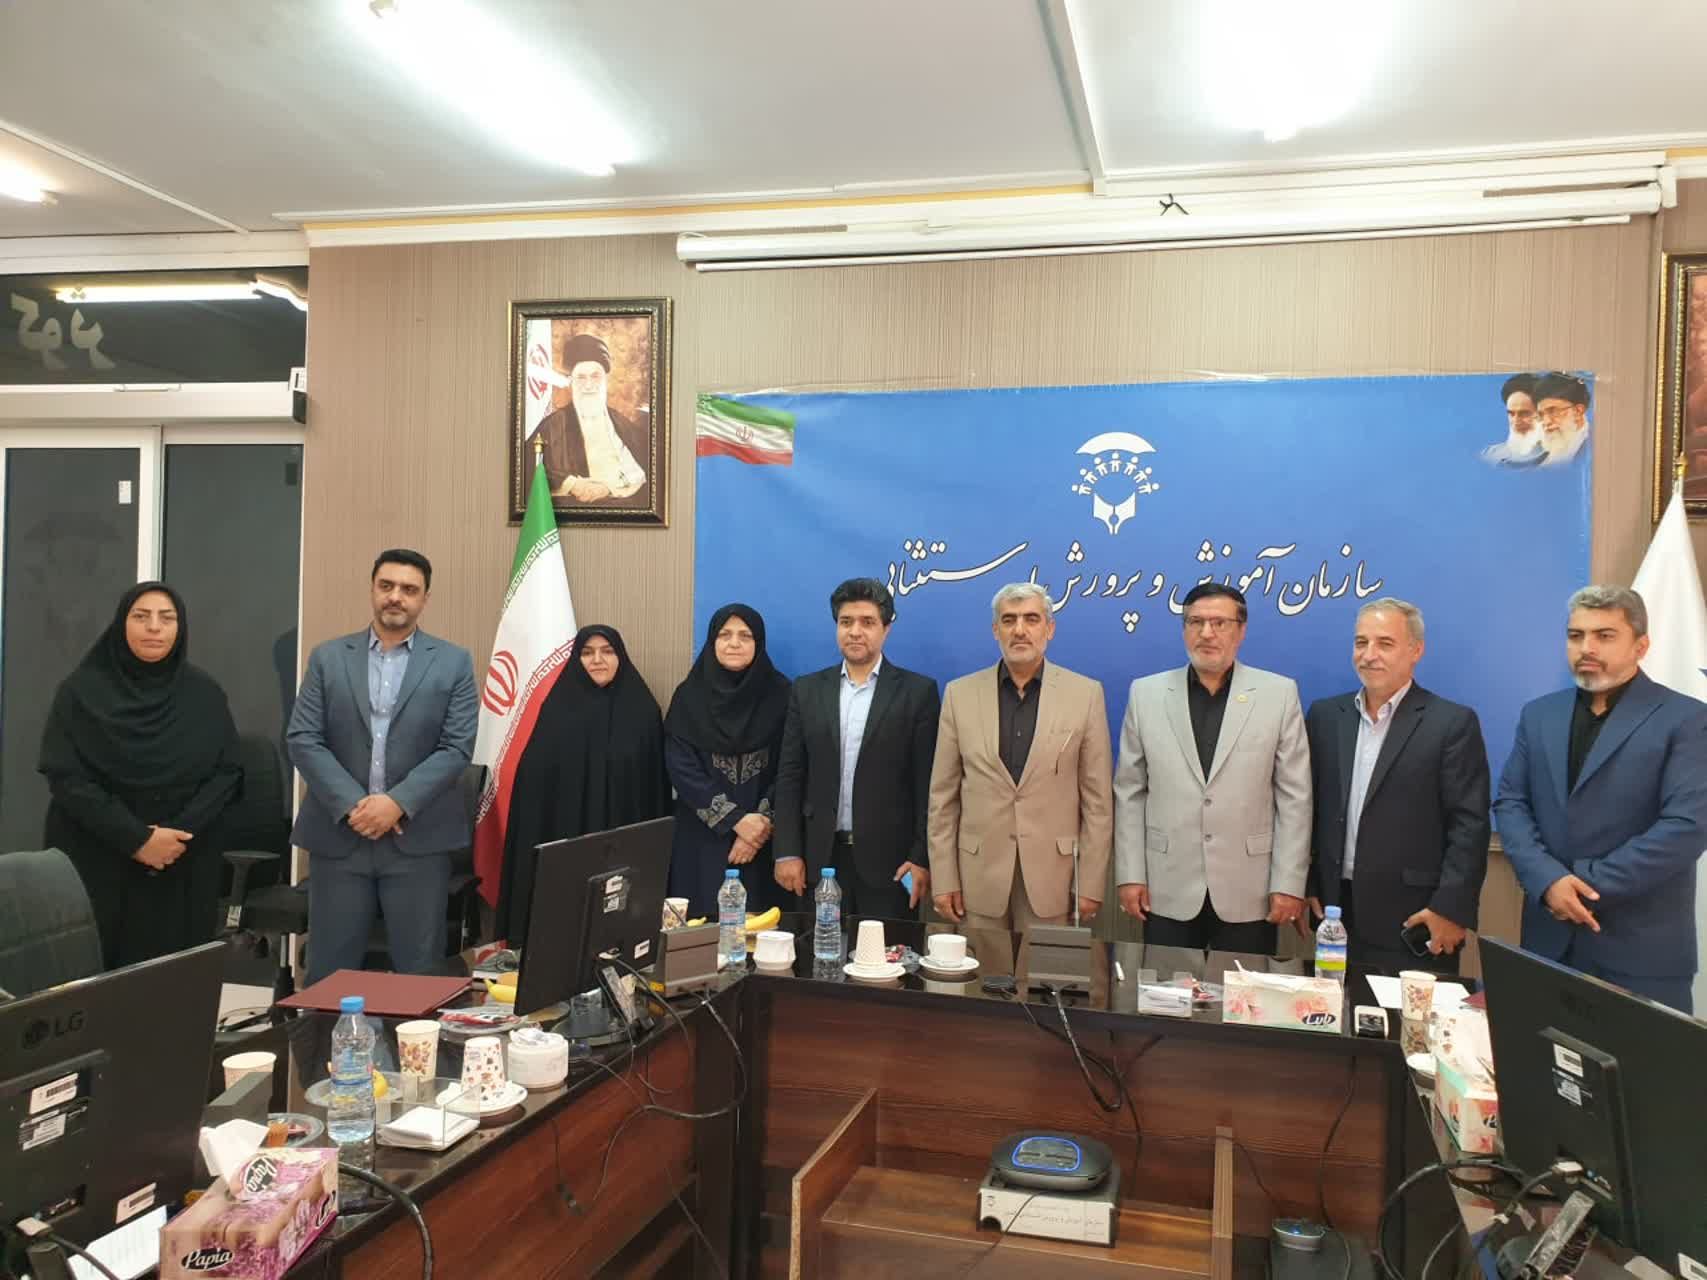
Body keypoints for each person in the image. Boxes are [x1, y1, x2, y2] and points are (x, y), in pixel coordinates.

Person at [1494, 585, 1707, 1013]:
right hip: (1548, 944)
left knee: (1643, 1060)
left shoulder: (1687, 718)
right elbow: (1511, 803)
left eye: (1604, 636)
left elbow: (1687, 827)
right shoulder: (1539, 714)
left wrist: (1583, 884)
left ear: (1641, 646)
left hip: (1639, 954)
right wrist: (1548, 882)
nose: (1586, 648)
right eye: (1576, 636)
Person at [288, 550, 477, 983]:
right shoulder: (328, 657)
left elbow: (456, 747)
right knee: (329, 976)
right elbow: (303, 738)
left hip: (418, 840)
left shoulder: (453, 662)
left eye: (409, 589)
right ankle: (326, 1034)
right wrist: (355, 805)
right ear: (372, 589)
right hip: (340, 836)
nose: (396, 597)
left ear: (425, 599)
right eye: (386, 586)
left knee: (419, 975)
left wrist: (395, 804)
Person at [38, 582, 242, 970]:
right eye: (141, 616)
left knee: (174, 980)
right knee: (96, 980)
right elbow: (66, 777)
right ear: (122, 623)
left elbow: (227, 773)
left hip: (180, 858)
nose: (154, 627)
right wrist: (137, 838)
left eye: (167, 618)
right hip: (98, 852)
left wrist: (174, 837)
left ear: (180, 627)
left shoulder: (204, 694)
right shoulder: (80, 692)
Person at [1113, 583, 1311, 953]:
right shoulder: (1146, 694)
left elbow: (1294, 797)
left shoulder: (1279, 694)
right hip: (1166, 884)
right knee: (1166, 987)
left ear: (1241, 630)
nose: (1206, 633)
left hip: (1250, 887)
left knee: (1243, 989)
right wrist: (1130, 874)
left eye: (1219, 623)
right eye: (1196, 622)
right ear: (1184, 629)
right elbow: (1129, 791)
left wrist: (1288, 882)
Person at [1304, 598, 1490, 974]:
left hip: (1415, 918)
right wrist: (1309, 884)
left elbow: (1469, 826)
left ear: (1416, 650)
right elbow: (1309, 808)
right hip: (1335, 914)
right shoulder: (1326, 716)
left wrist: (1450, 909)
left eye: (1384, 643)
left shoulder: (1451, 723)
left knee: (1405, 1013)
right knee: (1333, 1008)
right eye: (1361, 642)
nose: (1369, 655)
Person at [928, 583, 1112, 931]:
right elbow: (943, 798)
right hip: (977, 877)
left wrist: (1090, 883)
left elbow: (1097, 802)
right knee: (979, 968)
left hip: (1054, 878)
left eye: (1031, 619)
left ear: (1050, 628)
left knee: (1045, 968)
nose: (1020, 630)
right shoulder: (959, 694)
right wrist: (944, 877)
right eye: (1009, 620)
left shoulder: (1085, 694)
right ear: (995, 630)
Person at [773, 579, 941, 919]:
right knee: (816, 950)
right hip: (818, 860)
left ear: (886, 629)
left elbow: (928, 785)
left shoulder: (917, 692)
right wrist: (787, 851)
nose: (855, 632)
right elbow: (790, 776)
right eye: (846, 622)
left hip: (891, 865)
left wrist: (920, 857)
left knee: (887, 952)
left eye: (867, 622)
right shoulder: (807, 690)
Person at [496, 625, 671, 942]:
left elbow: (654, 788)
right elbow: (533, 785)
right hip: (567, 836)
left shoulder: (643, 711)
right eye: (587, 653)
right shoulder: (556, 709)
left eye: (607, 651)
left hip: (623, 840)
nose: (597, 660)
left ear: (621, 657)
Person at [664, 604, 792, 919]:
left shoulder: (783, 695)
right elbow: (681, 767)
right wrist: (736, 821)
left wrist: (759, 827)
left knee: (762, 932)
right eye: (725, 635)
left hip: (764, 843)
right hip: (700, 841)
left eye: (745, 636)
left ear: (758, 643)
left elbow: (791, 766)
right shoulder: (688, 696)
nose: (734, 643)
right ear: (713, 641)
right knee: (698, 933)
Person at [535, 332, 651, 508]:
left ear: (606, 381)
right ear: (571, 382)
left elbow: (645, 472)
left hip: (625, 510)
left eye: (595, 376)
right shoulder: (552, 426)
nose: (588, 385)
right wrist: (572, 484)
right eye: (581, 378)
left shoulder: (625, 426)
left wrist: (608, 488)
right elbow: (531, 468)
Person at [1480, 373, 1545, 466]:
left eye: (1524, 413)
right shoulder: (1490, 454)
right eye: (1511, 414)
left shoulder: (1557, 456)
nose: (1516, 421)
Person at [1534, 371, 1591, 466]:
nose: (1546, 422)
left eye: (1553, 411)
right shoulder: (1540, 459)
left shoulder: (1595, 447)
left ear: (1578, 411)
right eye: (1541, 415)